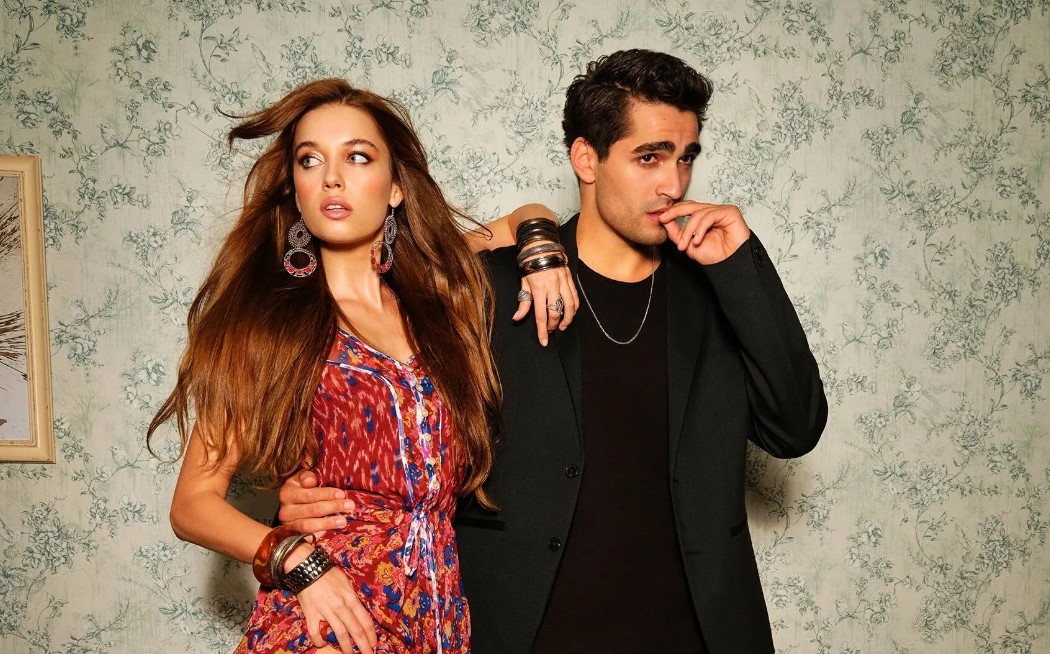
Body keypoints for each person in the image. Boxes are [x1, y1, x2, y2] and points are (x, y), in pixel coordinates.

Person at [279, 50, 829, 653]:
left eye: (685, 157)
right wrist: (308, 501)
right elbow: (381, 406)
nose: (673, 184)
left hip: (696, 635)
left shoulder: (718, 287)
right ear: (586, 158)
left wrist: (741, 265)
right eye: (649, 157)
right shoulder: (490, 287)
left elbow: (794, 429)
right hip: (527, 634)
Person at [146, 78, 578, 654]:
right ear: (295, 189)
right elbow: (191, 505)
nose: (332, 177)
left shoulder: (437, 293)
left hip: (437, 619)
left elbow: (525, 214)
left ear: (396, 187)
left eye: (357, 157)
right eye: (310, 160)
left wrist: (542, 250)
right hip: (332, 617)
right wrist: (297, 561)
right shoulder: (270, 328)